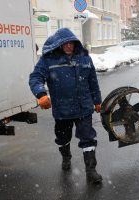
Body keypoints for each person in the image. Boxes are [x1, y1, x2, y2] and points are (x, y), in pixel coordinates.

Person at [29, 28, 102, 183]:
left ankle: (91, 171)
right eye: (66, 43)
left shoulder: (84, 58)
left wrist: (97, 100)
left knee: (88, 138)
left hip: (84, 108)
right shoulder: (48, 60)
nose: (69, 46)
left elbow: (93, 81)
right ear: (59, 44)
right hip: (62, 110)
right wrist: (41, 94)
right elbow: (35, 77)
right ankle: (66, 157)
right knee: (62, 138)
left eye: (72, 43)